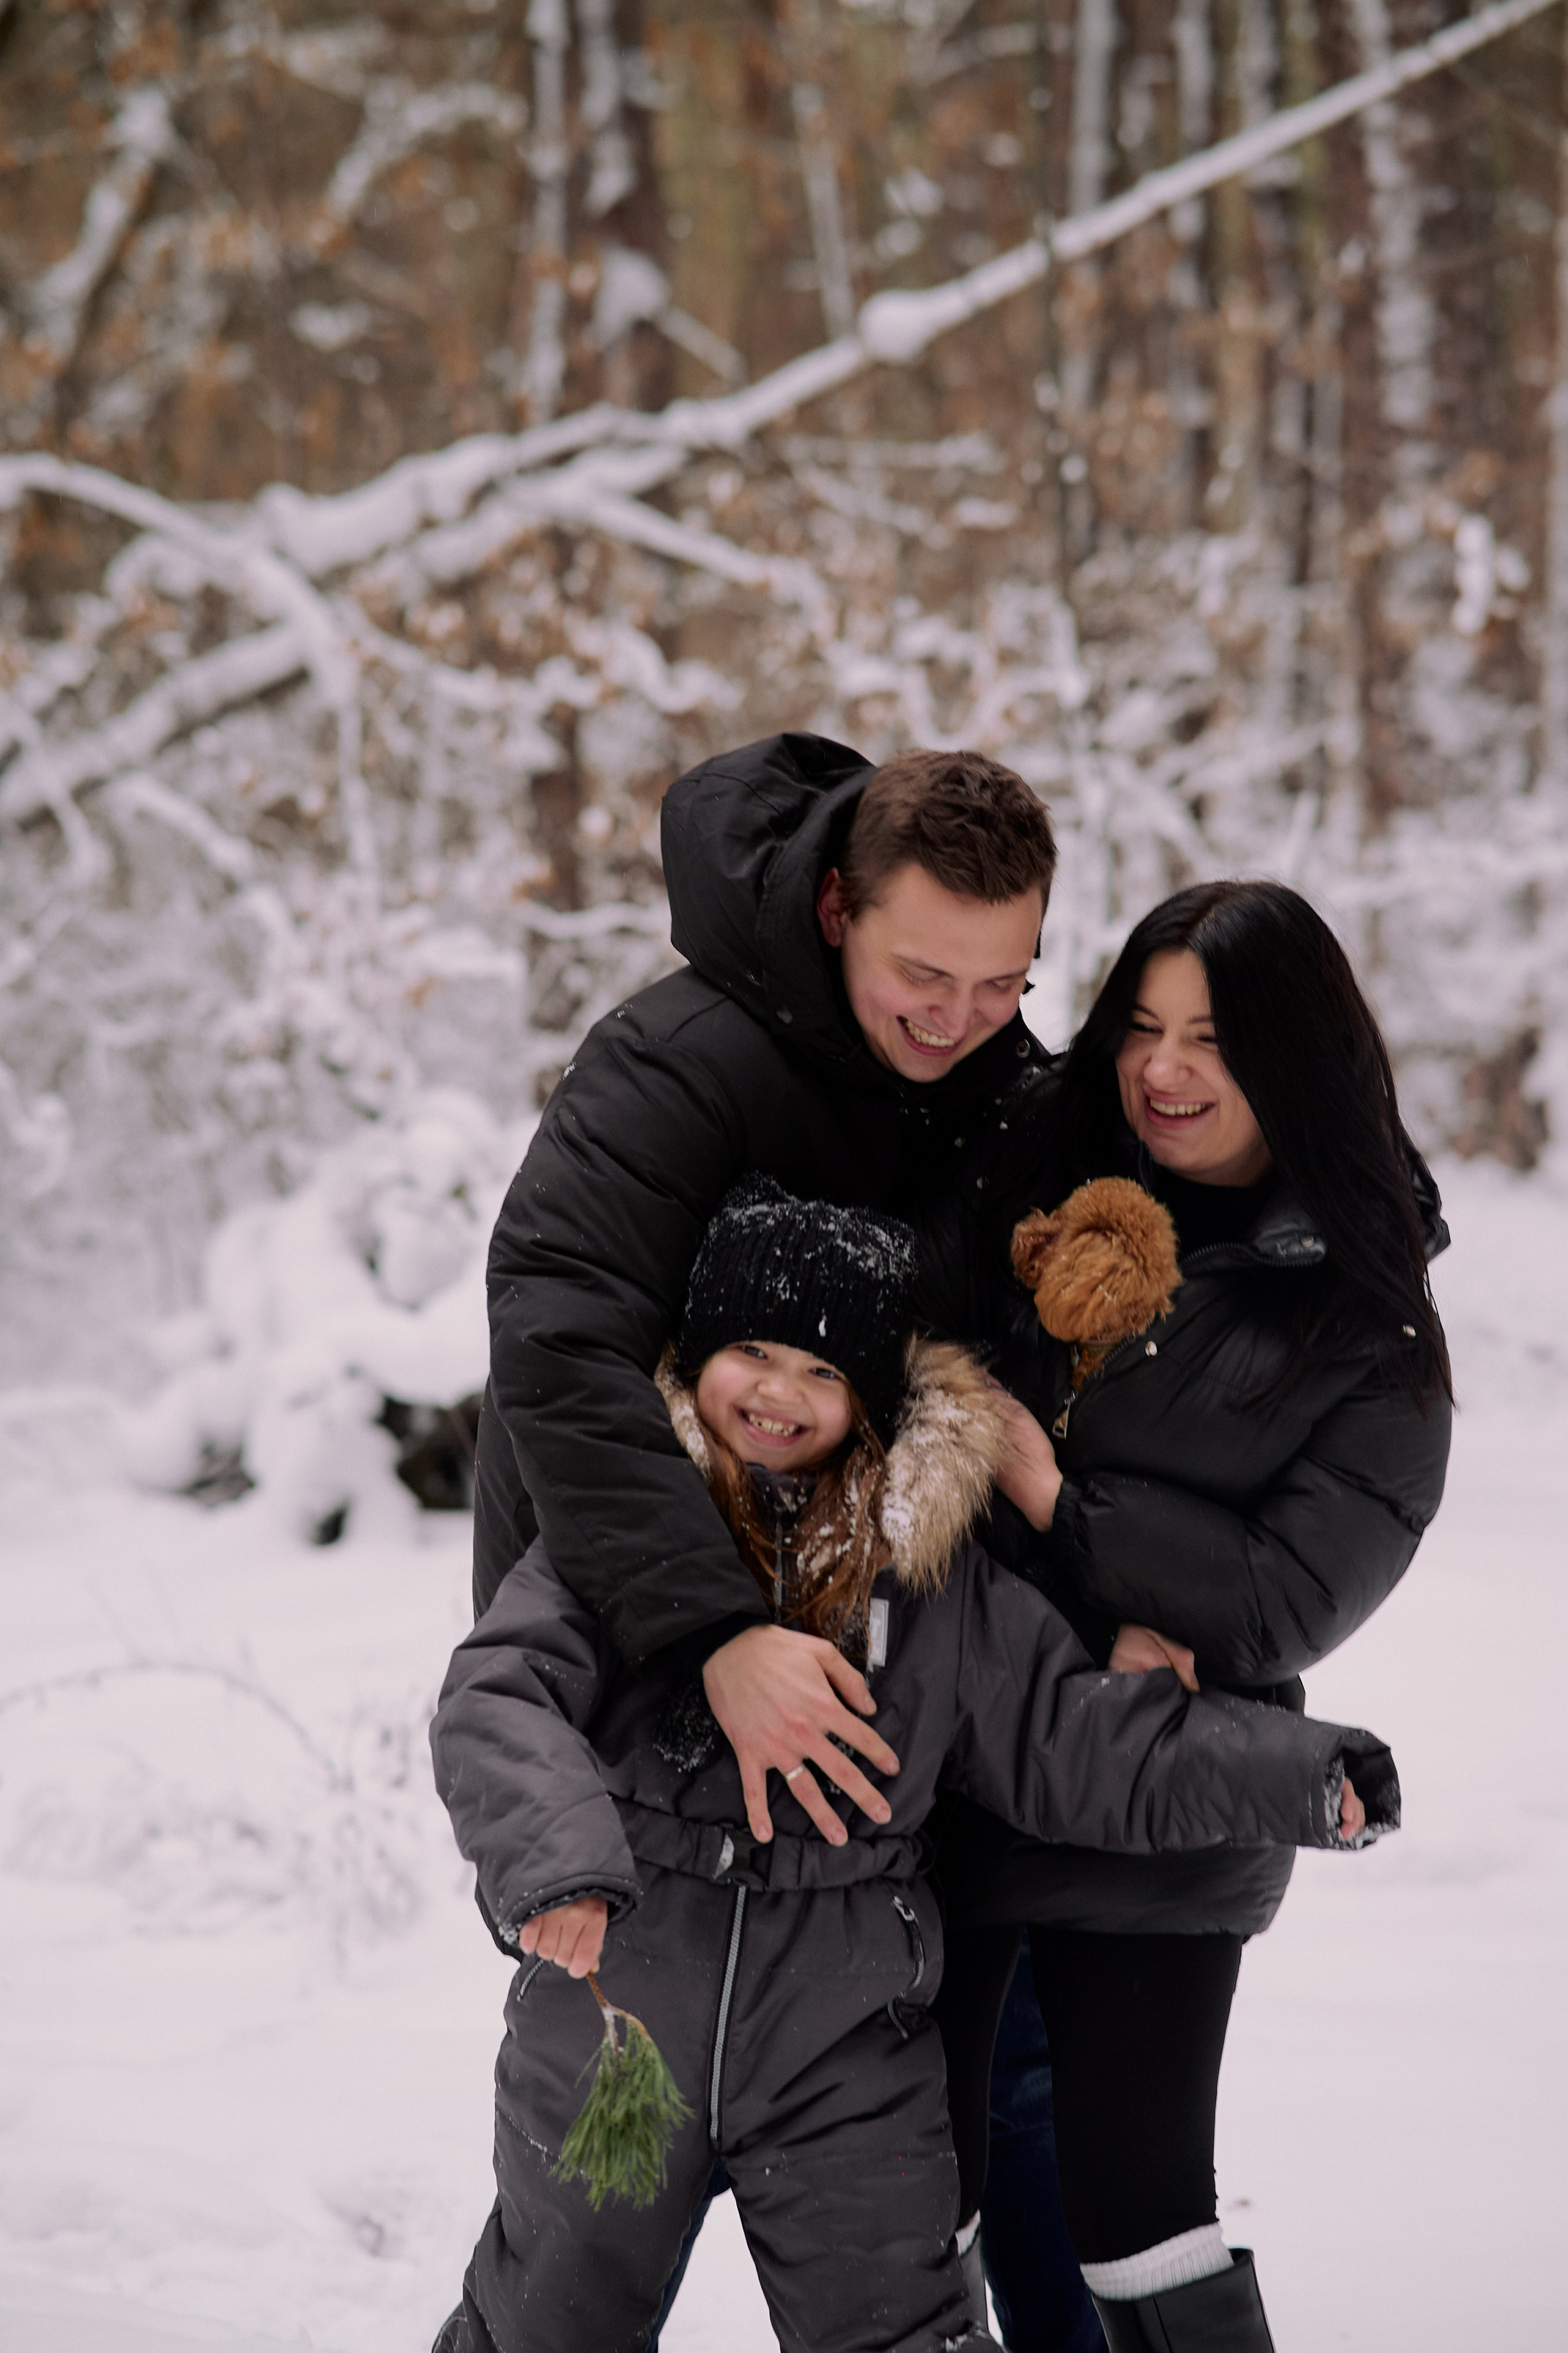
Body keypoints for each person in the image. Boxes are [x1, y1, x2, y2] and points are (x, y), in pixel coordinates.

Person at [430, 1180, 1395, 2353]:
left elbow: (1075, 1734)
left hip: (845, 2041)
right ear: (697, 1359)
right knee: (548, 2314)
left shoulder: (928, 1587)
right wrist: (558, 1867)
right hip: (617, 2010)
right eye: (751, 1351)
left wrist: (1299, 1773)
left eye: (824, 1372)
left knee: (899, 2324)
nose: (780, 1393)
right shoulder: (631, 1534)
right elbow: (499, 1690)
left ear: (874, 1401)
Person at [926, 880, 1453, 2352]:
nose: (1161, 1069)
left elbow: (1277, 1597)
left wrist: (1053, 1501)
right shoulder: (1045, 1190)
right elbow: (918, 1408)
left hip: (1154, 1811)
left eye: (1209, 1039)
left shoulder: (1366, 1322)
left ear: (1293, 1058)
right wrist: (1098, 1602)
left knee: (1134, 2209)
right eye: (1140, 1028)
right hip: (957, 1769)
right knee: (913, 2196)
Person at [475, 735, 1063, 1850]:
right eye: (925, 976)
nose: (958, 1016)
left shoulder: (980, 1074)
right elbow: (559, 1340)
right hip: (639, 1652)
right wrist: (713, 1633)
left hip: (866, 1689)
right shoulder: (673, 1065)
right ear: (837, 906)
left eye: (1003, 982)